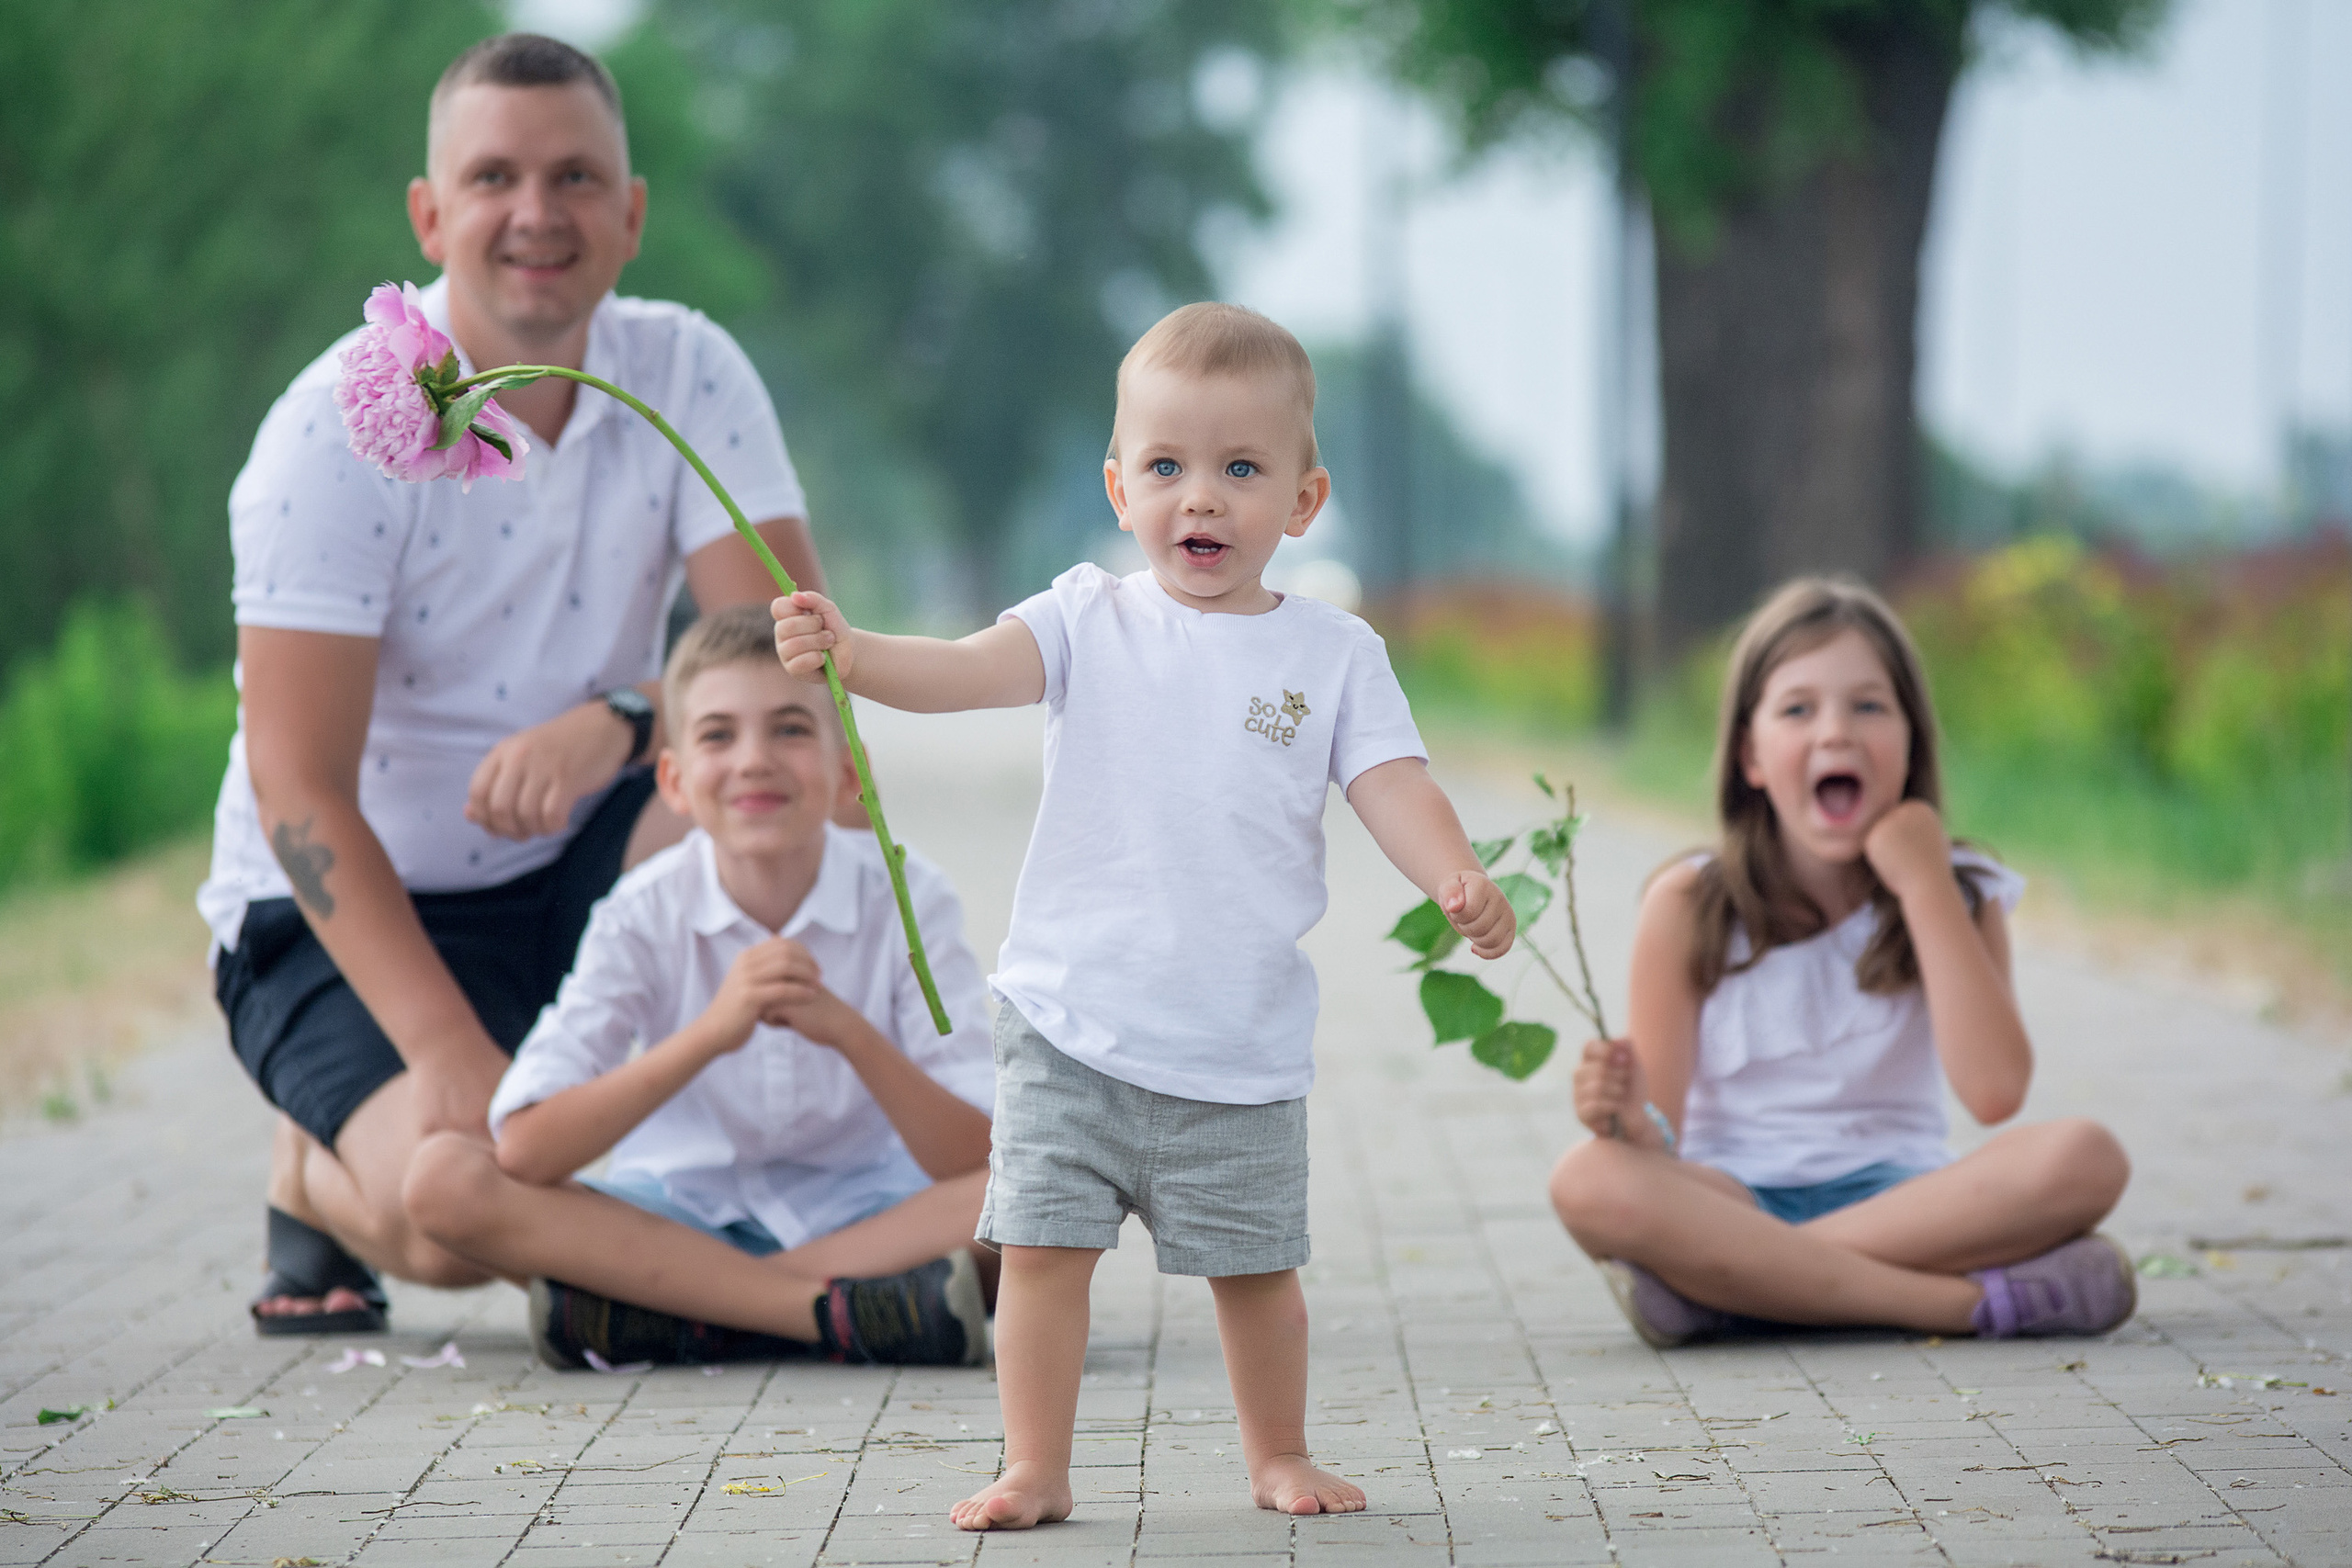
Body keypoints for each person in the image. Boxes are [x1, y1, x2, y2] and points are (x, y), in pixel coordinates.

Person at [771, 302, 1518, 1529]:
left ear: (1304, 497)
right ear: (1120, 486)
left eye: (1241, 469)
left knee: (1257, 1272)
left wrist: (1455, 873)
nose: (1202, 499)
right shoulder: (1085, 617)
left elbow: (1395, 781)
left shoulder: (1333, 653)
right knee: (1043, 1258)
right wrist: (855, 654)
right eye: (1167, 467)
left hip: (1236, 1042)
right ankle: (1035, 1464)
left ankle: (1278, 1449)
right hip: (1070, 1020)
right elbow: (965, 669)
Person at [199, 33, 825, 1336]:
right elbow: (296, 784)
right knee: (451, 1222)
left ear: (634, 213)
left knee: (801, 789)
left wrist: (623, 719)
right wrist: (444, 1056)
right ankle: (312, 1160)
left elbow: (792, 664)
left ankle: (773, 1169)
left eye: (578, 178)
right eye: (493, 178)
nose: (537, 214)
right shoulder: (331, 429)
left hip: (576, 859)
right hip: (346, 907)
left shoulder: (688, 368)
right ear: (430, 215)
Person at [401, 605, 996, 1368]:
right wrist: (712, 1031)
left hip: (870, 1215)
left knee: (1032, 1191)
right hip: (676, 1216)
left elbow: (977, 1153)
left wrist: (850, 1032)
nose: (753, 760)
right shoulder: (642, 909)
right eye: (718, 734)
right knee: (443, 1179)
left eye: (789, 729)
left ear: (851, 769)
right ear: (676, 782)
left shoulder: (910, 899)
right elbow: (523, 1147)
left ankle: (684, 1311)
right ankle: (825, 1314)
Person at [1549, 577, 2135, 1348]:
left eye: (1868, 706)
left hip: (1910, 1196)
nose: (1836, 733)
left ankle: (1731, 1290)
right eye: (1798, 709)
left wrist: (1923, 881)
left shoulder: (1963, 892)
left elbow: (1995, 1091)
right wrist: (1626, 1115)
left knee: (2085, 1156)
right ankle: (1961, 1306)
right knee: (1588, 1180)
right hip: (1731, 1195)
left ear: (1911, 742)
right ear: (1751, 756)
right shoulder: (1689, 902)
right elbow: (1662, 1136)